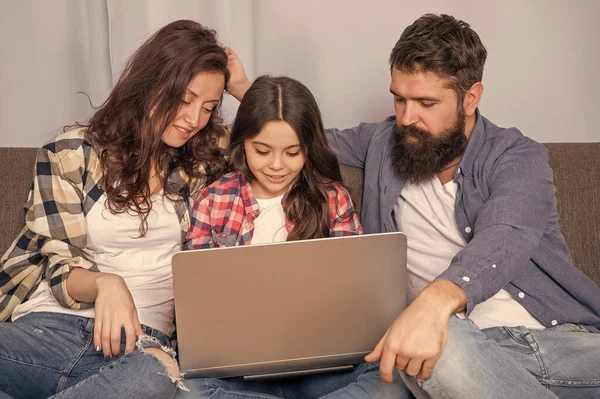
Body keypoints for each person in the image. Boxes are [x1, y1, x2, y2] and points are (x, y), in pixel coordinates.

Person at [227, 13, 600, 399]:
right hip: (430, 355)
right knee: (433, 348)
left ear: (470, 97)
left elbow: (508, 234)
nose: (407, 118)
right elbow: (295, 137)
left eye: (426, 103)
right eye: (399, 98)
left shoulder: (516, 155)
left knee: (439, 339)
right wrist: (244, 90)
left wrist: (434, 303)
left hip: (557, 343)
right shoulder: (382, 142)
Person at [0, 20, 230, 399]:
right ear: (152, 83)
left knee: (159, 377)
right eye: (184, 99)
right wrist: (106, 282)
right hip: (44, 332)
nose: (194, 119)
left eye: (208, 107)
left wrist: (237, 82)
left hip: (137, 351)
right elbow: (60, 266)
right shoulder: (70, 152)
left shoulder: (201, 164)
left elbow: (280, 138)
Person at [180, 75, 409, 399]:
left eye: (292, 152)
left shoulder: (333, 199)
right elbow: (198, 305)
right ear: (242, 142)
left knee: (394, 376)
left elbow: (358, 296)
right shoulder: (213, 200)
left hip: (324, 368)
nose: (276, 165)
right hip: (237, 373)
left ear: (309, 148)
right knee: (189, 389)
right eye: (262, 150)